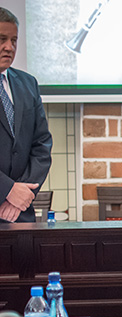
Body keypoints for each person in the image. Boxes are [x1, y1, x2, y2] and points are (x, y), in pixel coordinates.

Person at [0, 7, 52, 223]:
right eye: (2, 39)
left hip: (20, 213)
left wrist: (20, 194)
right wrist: (7, 190)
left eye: (14, 40)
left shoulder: (27, 84)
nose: (9, 47)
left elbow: (42, 144)